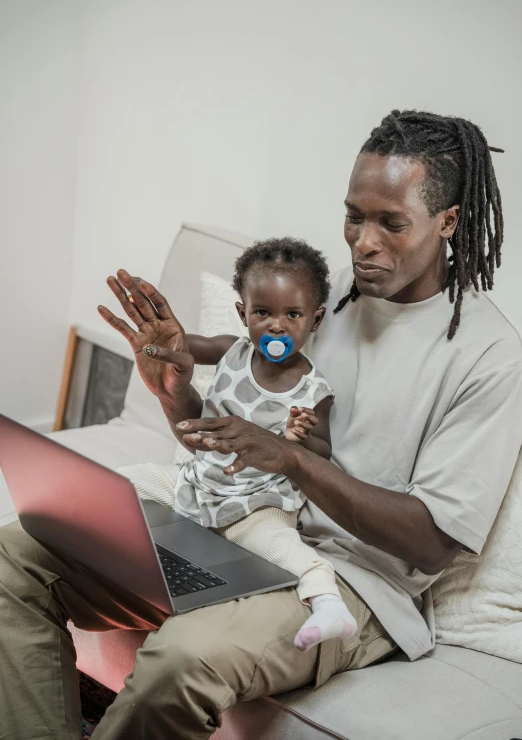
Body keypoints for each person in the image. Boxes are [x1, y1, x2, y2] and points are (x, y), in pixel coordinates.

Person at [1, 109, 522, 740]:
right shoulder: (324, 301)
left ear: (449, 221)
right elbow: (236, 441)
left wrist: (296, 459)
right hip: (241, 529)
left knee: (183, 657)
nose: (364, 241)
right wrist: (176, 395)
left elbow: (433, 542)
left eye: (391, 223)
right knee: (15, 554)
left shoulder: (489, 355)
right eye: (355, 215)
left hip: (352, 586)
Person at [121, 237, 357, 652]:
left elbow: (322, 453)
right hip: (196, 483)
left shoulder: (314, 389)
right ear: (242, 313)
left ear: (315, 320)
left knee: (287, 550)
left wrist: (300, 439)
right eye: (262, 312)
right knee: (126, 483)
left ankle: (328, 606)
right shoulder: (232, 350)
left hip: (259, 504)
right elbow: (180, 348)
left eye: (293, 314)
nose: (277, 326)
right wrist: (156, 346)